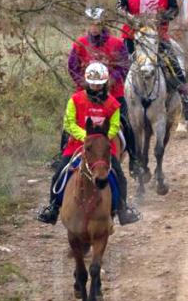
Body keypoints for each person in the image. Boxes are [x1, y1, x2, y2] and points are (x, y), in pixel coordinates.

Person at [36, 62, 141, 225]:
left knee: (119, 176)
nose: (95, 87)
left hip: (103, 147)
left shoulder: (113, 103)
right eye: (92, 83)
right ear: (87, 82)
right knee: (60, 173)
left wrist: (101, 139)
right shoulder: (75, 100)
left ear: (105, 83)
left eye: (99, 84)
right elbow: (69, 123)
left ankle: (122, 209)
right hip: (77, 144)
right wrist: (86, 137)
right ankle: (53, 208)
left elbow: (115, 125)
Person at [65, 7, 136, 167]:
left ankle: (135, 159)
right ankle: (63, 154)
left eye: (97, 24)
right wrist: (83, 83)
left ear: (103, 24)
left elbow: (124, 65)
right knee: (68, 126)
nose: (94, 28)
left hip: (113, 95)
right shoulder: (80, 44)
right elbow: (72, 67)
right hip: (85, 95)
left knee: (126, 124)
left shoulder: (116, 43)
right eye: (91, 24)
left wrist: (112, 80)